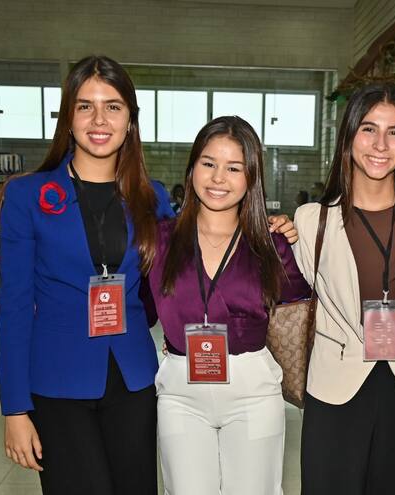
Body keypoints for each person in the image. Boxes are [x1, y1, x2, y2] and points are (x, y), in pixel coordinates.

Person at [0, 56, 295, 494]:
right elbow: (15, 309)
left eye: (113, 106)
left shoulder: (150, 197)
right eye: (85, 106)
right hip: (59, 383)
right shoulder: (27, 197)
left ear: (130, 120)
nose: (100, 119)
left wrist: (267, 228)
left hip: (134, 382)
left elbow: (189, 261)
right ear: (68, 117)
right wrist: (14, 409)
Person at [293, 83, 395, 495]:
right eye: (368, 129)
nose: (381, 144)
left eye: (394, 132)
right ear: (348, 137)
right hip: (337, 386)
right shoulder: (312, 221)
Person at [148, 116, 310, 494]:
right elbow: (139, 307)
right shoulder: (159, 241)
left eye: (234, 168)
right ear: (191, 170)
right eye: (209, 164)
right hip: (180, 390)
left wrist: (293, 240)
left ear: (251, 178)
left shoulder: (271, 243)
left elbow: (300, 305)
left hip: (252, 390)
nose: (219, 178)